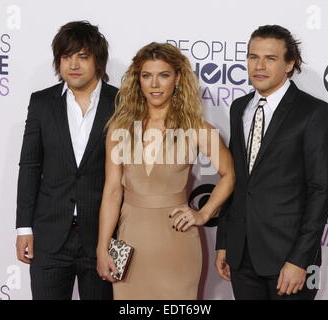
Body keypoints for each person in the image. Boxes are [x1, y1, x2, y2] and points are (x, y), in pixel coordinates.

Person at [96, 42, 235, 299]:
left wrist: (203, 214)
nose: (155, 84)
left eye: (164, 75)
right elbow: (113, 191)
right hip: (130, 240)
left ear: (178, 78)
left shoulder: (196, 128)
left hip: (177, 243)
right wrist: (102, 247)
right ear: (138, 81)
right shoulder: (119, 128)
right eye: (147, 76)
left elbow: (229, 175)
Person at [215, 25, 328, 300]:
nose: (259, 66)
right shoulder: (239, 108)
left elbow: (319, 191)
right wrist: (224, 242)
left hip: (288, 258)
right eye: (252, 57)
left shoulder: (315, 113)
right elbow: (235, 180)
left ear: (289, 63)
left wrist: (299, 260)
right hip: (241, 256)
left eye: (270, 58)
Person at [15, 21, 117, 300]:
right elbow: (30, 167)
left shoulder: (122, 102)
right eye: (66, 57)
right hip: (49, 236)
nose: (73, 64)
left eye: (82, 56)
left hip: (104, 238)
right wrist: (24, 227)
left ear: (98, 61)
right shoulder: (41, 102)